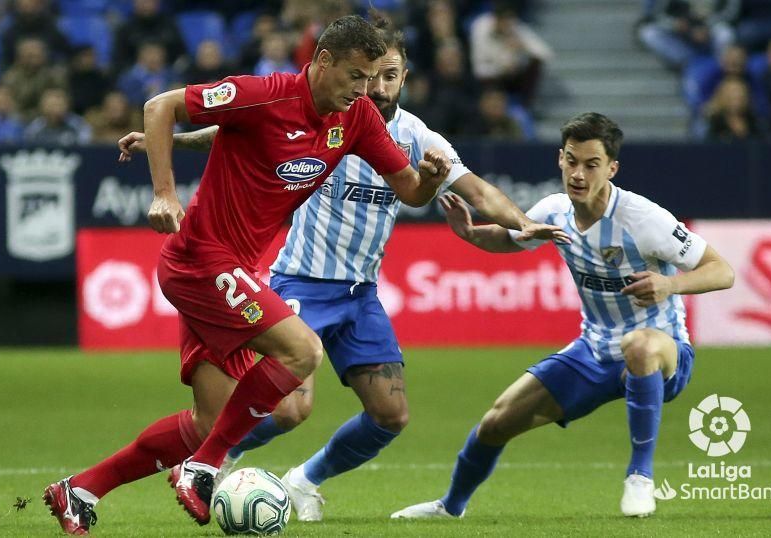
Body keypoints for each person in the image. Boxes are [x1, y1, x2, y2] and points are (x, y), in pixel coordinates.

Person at [115, 22, 566, 523]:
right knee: (289, 409)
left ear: (403, 76)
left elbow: (475, 192)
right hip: (301, 279)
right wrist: (173, 142)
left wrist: (521, 221)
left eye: (387, 76)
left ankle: (303, 480)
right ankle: (219, 457)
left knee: (391, 415)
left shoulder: (411, 134)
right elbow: (237, 130)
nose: (375, 88)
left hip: (361, 291)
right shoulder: (325, 109)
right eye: (367, 77)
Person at [43, 15, 454, 534]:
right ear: (322, 61)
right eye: (355, 76)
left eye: (372, 79)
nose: (365, 90)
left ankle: (79, 490)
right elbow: (160, 106)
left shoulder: (358, 120)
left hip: (235, 270)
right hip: (199, 260)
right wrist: (165, 192)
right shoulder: (261, 96)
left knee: (210, 424)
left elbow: (410, 191)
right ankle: (206, 467)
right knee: (302, 351)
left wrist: (432, 180)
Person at [390, 112, 735, 520]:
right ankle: (451, 507)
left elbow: (722, 271)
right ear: (559, 159)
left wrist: (670, 285)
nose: (579, 173)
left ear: (612, 168)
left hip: (663, 350)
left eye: (591, 164)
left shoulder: (643, 219)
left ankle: (640, 477)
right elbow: (511, 239)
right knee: (496, 422)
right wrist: (470, 234)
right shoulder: (554, 211)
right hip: (594, 350)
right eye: (572, 161)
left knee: (638, 345)